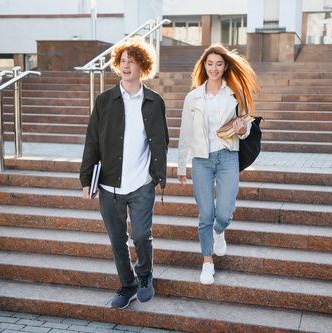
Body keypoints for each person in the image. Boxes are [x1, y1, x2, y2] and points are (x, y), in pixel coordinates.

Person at [80, 35, 169, 309]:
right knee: (118, 241)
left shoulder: (155, 101)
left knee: (141, 235)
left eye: (133, 61)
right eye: (122, 61)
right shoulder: (105, 100)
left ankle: (144, 276)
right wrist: (86, 180)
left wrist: (157, 175)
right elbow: (92, 140)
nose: (127, 65)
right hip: (110, 186)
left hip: (142, 183)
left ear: (143, 66)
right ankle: (127, 284)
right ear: (117, 65)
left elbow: (162, 140)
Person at [177, 44, 260, 284]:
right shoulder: (192, 97)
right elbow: (186, 133)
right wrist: (182, 166)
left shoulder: (235, 94)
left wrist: (243, 130)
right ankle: (207, 262)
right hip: (201, 160)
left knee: (223, 212)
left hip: (228, 156)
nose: (214, 68)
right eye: (210, 63)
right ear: (204, 66)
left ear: (225, 67)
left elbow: (246, 127)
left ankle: (219, 231)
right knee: (205, 214)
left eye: (219, 64)